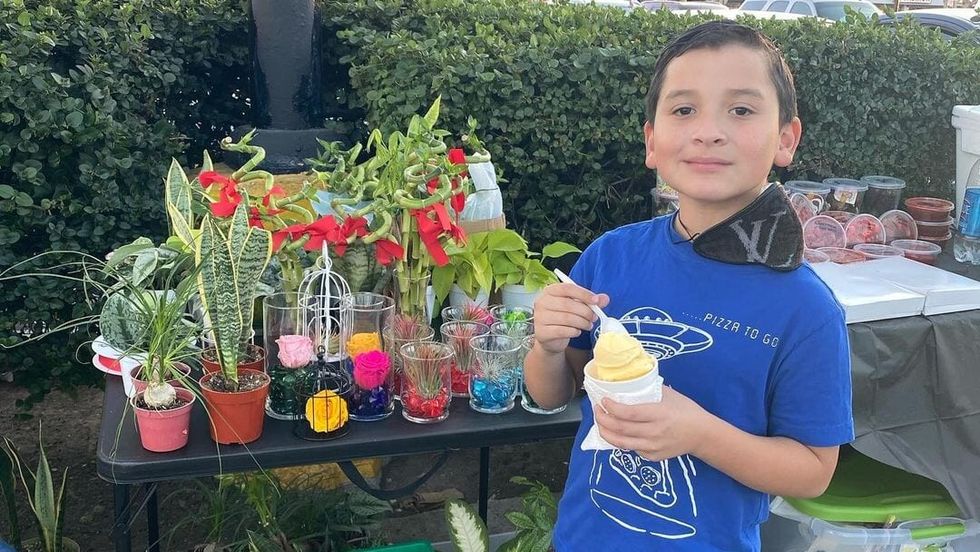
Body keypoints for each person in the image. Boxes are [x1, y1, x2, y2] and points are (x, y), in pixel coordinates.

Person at [524, 21, 853, 551]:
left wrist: (698, 433)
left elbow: (813, 471)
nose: (708, 131)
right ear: (652, 141)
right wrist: (546, 344)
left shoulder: (805, 308)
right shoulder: (612, 255)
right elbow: (553, 392)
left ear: (786, 139)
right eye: (683, 110)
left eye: (741, 110)